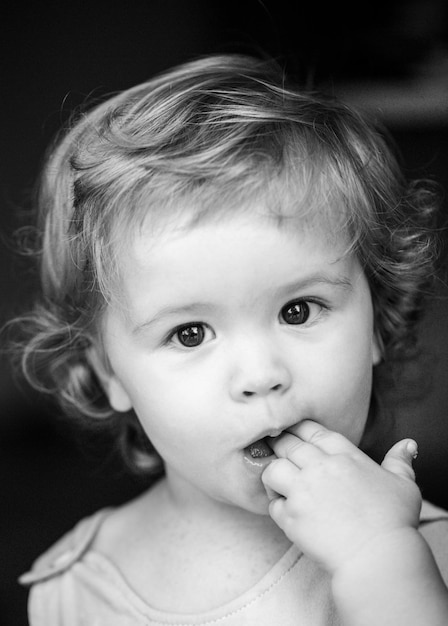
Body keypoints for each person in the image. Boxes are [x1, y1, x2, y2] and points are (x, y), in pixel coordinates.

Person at [15, 53, 448, 625]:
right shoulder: (68, 590)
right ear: (110, 374)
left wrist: (381, 562)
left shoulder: (427, 560)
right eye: (189, 333)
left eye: (298, 310)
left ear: (377, 320)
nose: (260, 374)